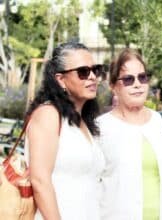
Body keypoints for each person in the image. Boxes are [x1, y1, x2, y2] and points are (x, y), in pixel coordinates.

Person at [97, 48, 162, 220]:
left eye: (142, 77)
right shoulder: (101, 129)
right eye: (128, 79)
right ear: (113, 86)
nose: (137, 84)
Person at [25, 42, 105, 219]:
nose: (92, 77)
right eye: (83, 72)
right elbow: (40, 180)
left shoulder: (84, 121)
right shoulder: (48, 114)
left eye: (96, 70)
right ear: (60, 79)